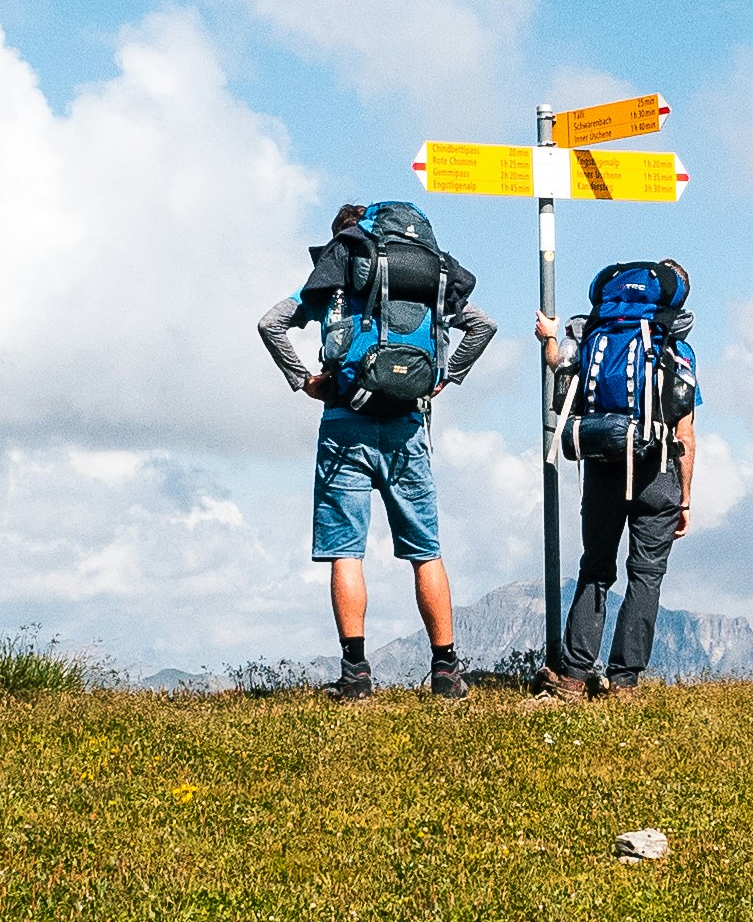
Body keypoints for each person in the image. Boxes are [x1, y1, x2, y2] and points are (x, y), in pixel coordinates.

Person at [257, 201, 493, 700]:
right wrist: (444, 377)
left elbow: (270, 323)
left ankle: (356, 674)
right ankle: (446, 670)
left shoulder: (334, 270)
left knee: (346, 552)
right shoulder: (421, 274)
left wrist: (304, 381)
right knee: (425, 550)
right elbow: (482, 325)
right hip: (407, 426)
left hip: (345, 424)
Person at [534, 260, 696, 699]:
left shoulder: (597, 332)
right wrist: (684, 499)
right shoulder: (675, 348)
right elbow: (685, 431)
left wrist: (550, 336)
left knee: (596, 568)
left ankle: (572, 674)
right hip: (657, 471)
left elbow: (559, 364)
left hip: (604, 466)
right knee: (645, 575)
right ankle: (624, 681)